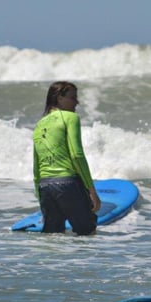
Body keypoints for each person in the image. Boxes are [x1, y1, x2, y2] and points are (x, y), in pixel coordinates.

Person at [32, 81, 101, 235]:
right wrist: (92, 191)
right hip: (67, 185)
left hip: (45, 187)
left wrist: (42, 202)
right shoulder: (70, 117)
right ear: (59, 98)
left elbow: (36, 168)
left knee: (53, 237)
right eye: (73, 97)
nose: (77, 102)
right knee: (87, 233)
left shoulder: (38, 125)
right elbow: (76, 155)